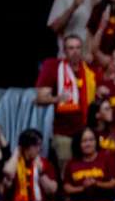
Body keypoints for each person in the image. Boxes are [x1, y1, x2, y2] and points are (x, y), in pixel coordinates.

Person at [36, 34, 99, 165]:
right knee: (67, 171)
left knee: (87, 169)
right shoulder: (54, 67)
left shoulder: (89, 70)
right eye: (71, 48)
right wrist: (57, 98)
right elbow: (39, 99)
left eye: (78, 48)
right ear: (64, 51)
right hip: (64, 134)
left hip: (87, 133)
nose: (75, 52)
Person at [2, 129, 59, 201]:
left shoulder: (44, 163)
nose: (39, 149)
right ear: (26, 146)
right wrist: (16, 152)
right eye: (36, 145)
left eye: (40, 145)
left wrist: (41, 173)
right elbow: (8, 172)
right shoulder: (14, 162)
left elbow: (52, 190)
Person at [62, 128, 115, 201]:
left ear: (96, 142)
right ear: (78, 143)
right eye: (84, 141)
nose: (88, 144)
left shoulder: (107, 158)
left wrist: (96, 183)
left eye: (91, 140)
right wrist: (83, 188)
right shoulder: (71, 163)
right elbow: (66, 187)